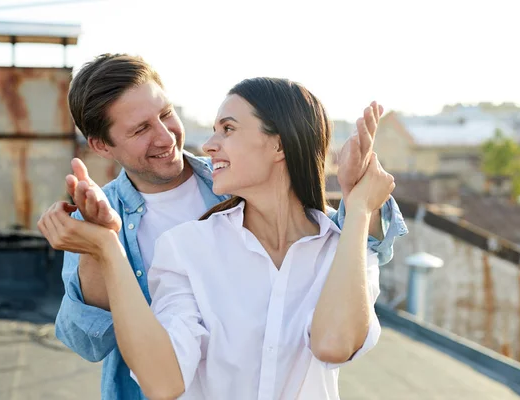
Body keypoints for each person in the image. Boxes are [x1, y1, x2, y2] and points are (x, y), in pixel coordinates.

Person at [45, 54, 408, 400]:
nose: (168, 137)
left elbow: (344, 241)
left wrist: (360, 203)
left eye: (166, 114)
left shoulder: (325, 233)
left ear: (278, 144)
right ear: (101, 146)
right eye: (141, 129)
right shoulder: (180, 243)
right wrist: (103, 247)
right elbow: (89, 341)